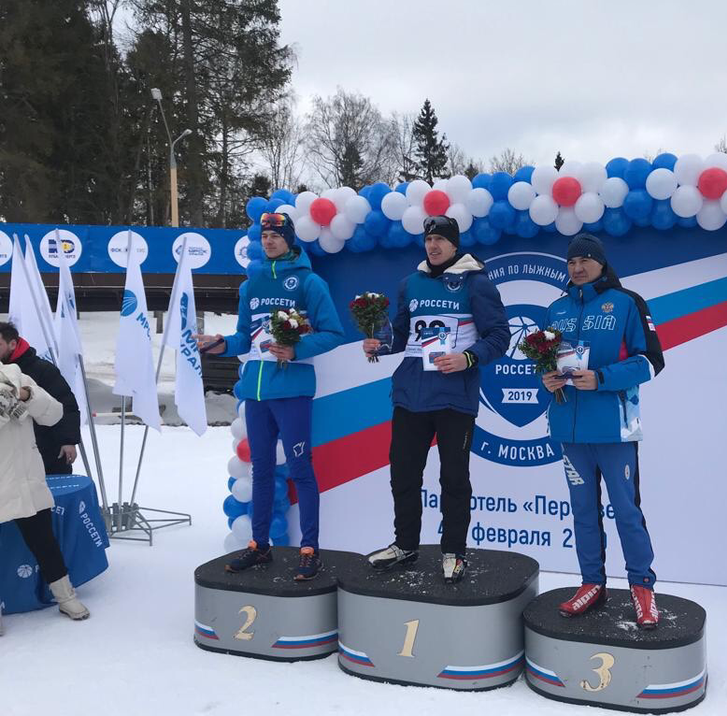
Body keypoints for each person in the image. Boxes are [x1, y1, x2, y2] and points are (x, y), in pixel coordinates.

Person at [197, 212, 344, 581]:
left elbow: (333, 332)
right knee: (261, 470)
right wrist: (219, 345)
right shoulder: (253, 284)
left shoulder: (309, 282)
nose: (268, 241)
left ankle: (310, 550)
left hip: (291, 390)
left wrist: (296, 349)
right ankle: (259, 545)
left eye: (276, 235)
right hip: (256, 393)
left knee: (300, 470)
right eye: (264, 236)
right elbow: (244, 337)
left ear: (290, 239)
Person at [363, 215, 509, 583]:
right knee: (404, 475)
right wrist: (380, 344)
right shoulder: (408, 285)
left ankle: (454, 552)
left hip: (453, 398)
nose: (433, 245)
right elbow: (401, 334)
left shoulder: (475, 283)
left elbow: (499, 336)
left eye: (441, 239)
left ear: (454, 245)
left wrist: (467, 358)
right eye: (429, 239)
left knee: (454, 478)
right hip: (410, 396)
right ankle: (405, 545)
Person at [541, 234, 665, 628]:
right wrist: (546, 378)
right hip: (569, 431)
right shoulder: (556, 309)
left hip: (614, 430)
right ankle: (592, 583)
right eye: (571, 261)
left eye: (585, 260)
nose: (577, 268)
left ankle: (642, 588)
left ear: (600, 262)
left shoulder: (627, 303)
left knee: (626, 511)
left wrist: (602, 378)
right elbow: (543, 361)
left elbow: (652, 362)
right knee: (582, 512)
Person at [0, 362, 89, 634]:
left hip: (27, 478)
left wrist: (26, 395)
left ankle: (65, 597)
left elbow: (54, 414)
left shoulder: (16, 374)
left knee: (44, 541)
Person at [0, 322, 81, 475]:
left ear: (12, 344)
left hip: (47, 450)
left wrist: (68, 440)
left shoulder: (41, 369)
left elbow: (66, 404)